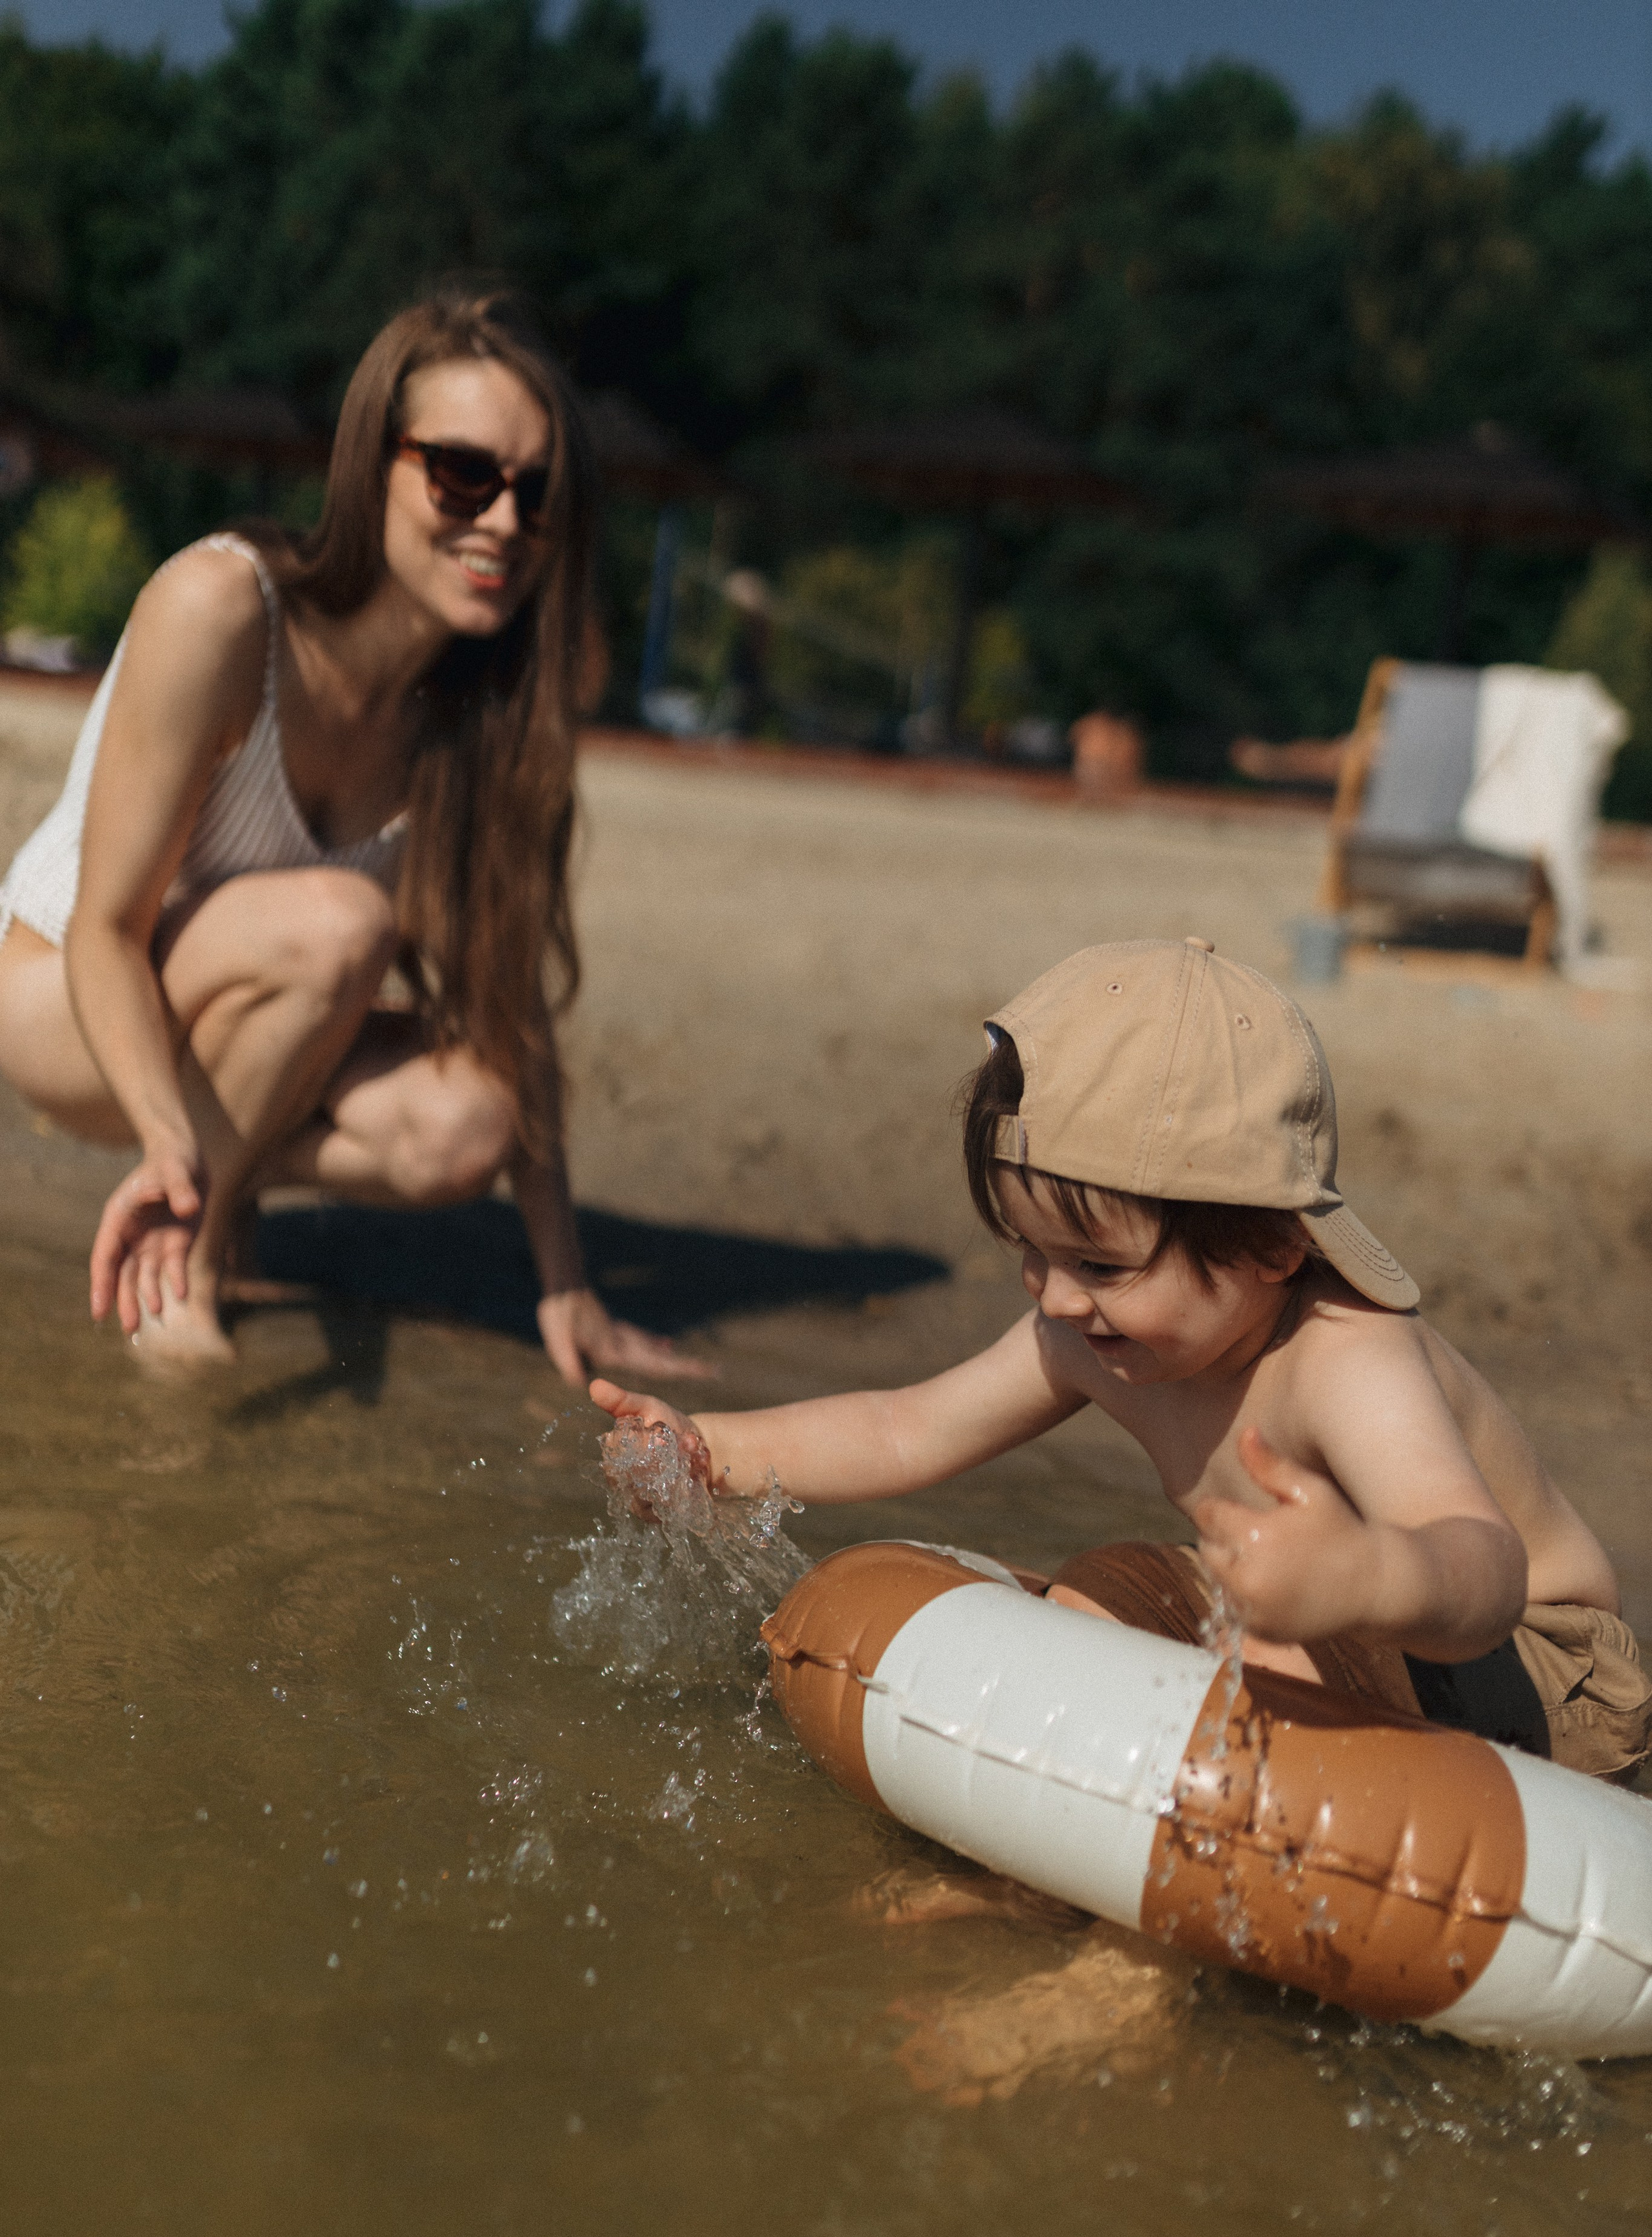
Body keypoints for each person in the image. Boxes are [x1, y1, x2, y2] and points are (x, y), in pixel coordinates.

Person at [592, 934, 1651, 1783]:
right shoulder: (1094, 1333)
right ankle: (1042, 1876)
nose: (1057, 1298)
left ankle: (1139, 1972)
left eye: (1099, 1263)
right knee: (1100, 1595)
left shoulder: (1346, 1360)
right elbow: (907, 1426)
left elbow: (1484, 1566)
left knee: (1265, 1662)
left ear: (1277, 1246)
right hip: (1301, 1612)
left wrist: (1366, 1573)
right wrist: (707, 1449)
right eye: (1031, 1255)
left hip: (1531, 1670)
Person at [0, 284, 704, 1383]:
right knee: (340, 925)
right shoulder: (221, 609)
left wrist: (567, 1286)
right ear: (373, 462)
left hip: (258, 1017)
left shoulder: (491, 715)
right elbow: (102, 927)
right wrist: (167, 1139)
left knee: (474, 1114)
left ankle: (214, 1190)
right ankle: (190, 1244)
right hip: (66, 1003)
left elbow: (510, 999)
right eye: (463, 475)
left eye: (538, 492)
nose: (505, 523)